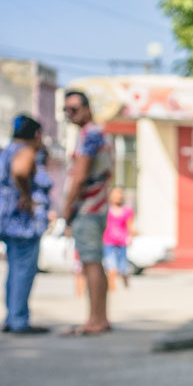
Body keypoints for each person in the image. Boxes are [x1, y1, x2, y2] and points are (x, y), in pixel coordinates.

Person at [61, 90, 115, 336]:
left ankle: (96, 320)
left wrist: (67, 206)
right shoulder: (94, 133)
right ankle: (99, 318)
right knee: (94, 263)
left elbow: (80, 175)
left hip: (88, 208)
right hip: (96, 206)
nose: (69, 114)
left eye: (73, 109)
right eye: (66, 110)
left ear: (87, 108)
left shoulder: (91, 134)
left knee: (91, 263)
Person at [0, 115, 51, 334]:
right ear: (36, 134)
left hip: (6, 219)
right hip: (22, 222)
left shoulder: (6, 151)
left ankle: (12, 316)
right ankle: (18, 320)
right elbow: (21, 171)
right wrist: (26, 196)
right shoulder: (25, 151)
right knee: (24, 270)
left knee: (15, 269)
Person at [102, 187, 135, 292]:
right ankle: (112, 289)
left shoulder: (127, 211)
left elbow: (130, 226)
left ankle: (125, 280)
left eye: (120, 194)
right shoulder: (106, 210)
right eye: (115, 194)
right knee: (111, 267)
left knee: (123, 268)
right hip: (108, 242)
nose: (118, 196)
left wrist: (131, 237)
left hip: (122, 242)